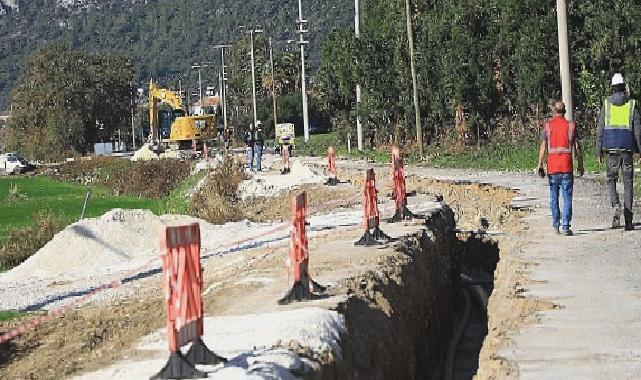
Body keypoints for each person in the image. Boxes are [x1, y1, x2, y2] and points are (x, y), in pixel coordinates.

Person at [597, 74, 641, 231]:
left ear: (612, 87)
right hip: (627, 149)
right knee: (628, 183)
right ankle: (628, 220)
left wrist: (599, 151)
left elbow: (600, 129)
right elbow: (637, 131)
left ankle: (616, 205)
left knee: (611, 179)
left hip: (610, 149)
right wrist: (639, 151)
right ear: (624, 87)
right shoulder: (632, 104)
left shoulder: (606, 104)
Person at [536, 100, 584, 236]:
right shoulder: (571, 126)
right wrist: (580, 164)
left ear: (553, 111)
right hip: (567, 167)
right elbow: (577, 148)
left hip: (553, 168)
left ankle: (556, 226)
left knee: (553, 196)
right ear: (565, 112)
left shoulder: (547, 126)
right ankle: (566, 226)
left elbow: (543, 146)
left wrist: (540, 165)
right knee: (567, 197)